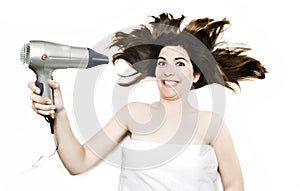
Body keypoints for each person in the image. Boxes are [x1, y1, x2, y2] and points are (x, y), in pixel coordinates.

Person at [28, 13, 267, 190]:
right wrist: (58, 110)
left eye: (180, 63)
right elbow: (77, 162)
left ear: (196, 75)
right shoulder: (133, 114)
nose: (168, 70)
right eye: (162, 62)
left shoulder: (211, 125)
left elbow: (234, 185)